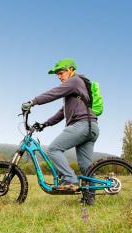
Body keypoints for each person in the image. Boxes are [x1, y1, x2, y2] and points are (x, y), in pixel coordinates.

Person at [21, 58, 99, 198]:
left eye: (61, 72)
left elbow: (54, 93)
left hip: (81, 125)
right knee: (85, 166)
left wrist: (33, 102)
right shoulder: (76, 89)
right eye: (57, 74)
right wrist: (45, 124)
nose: (59, 76)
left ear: (70, 70)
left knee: (53, 149)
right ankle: (89, 198)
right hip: (91, 127)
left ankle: (70, 179)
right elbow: (61, 113)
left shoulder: (74, 81)